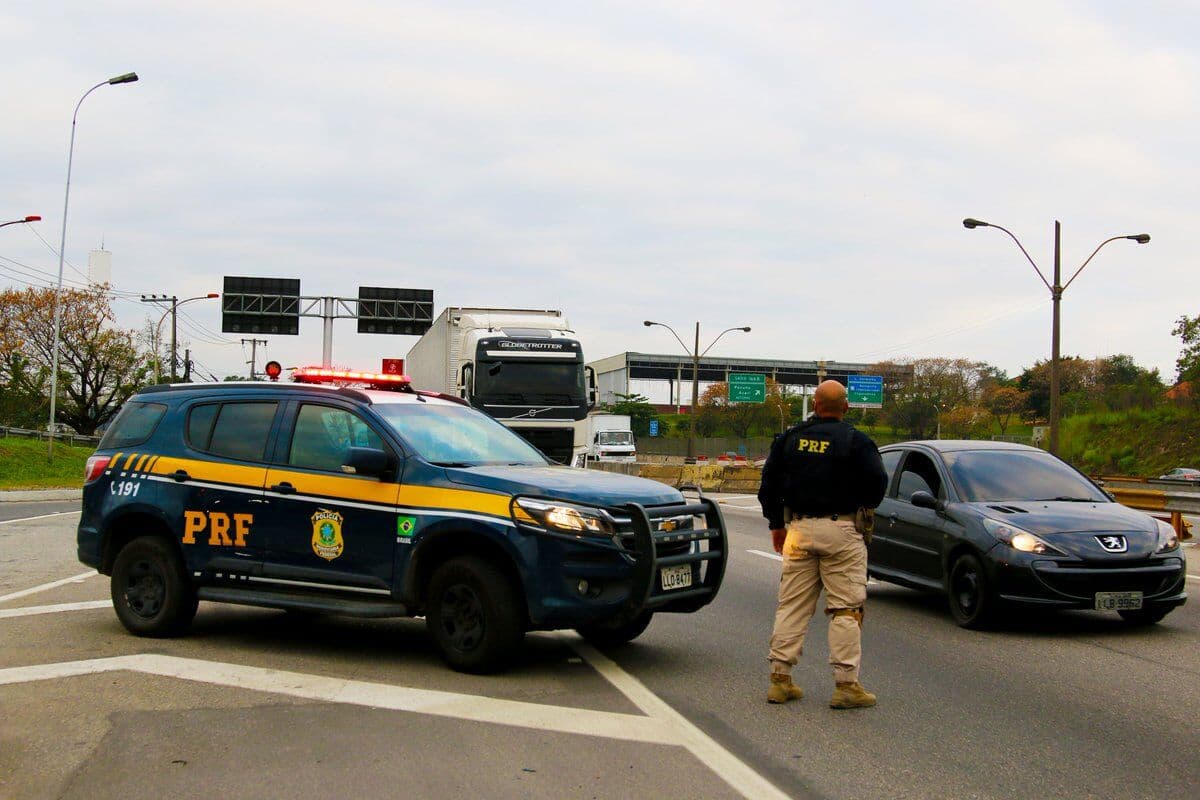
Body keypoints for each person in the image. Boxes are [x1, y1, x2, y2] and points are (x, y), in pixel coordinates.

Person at [758, 379, 887, 709]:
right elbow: (877, 483)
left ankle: (780, 680)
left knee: (792, 605)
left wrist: (776, 524)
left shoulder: (789, 439)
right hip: (842, 529)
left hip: (798, 529)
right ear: (845, 407)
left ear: (815, 405)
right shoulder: (856, 441)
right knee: (845, 608)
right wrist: (859, 505)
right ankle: (846, 686)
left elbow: (768, 483)